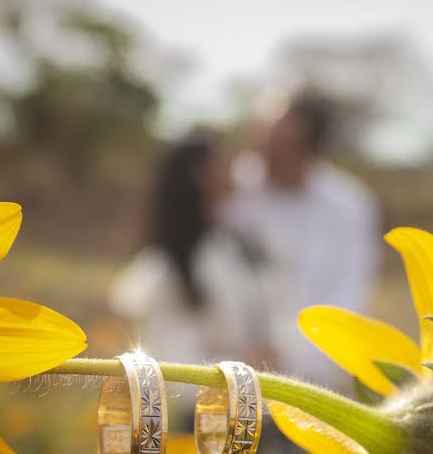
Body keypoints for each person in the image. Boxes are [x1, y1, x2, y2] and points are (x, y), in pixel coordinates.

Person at [226, 91, 381, 392]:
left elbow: (346, 296)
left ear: (313, 150)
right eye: (263, 138)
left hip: (310, 378)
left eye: (282, 144)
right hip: (227, 369)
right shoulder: (232, 187)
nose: (267, 152)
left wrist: (284, 350)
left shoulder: (348, 205)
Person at [108, 135, 270, 365]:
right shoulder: (163, 267)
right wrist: (244, 363)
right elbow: (172, 359)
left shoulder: (232, 244)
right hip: (204, 395)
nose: (231, 167)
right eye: (220, 160)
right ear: (199, 173)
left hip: (243, 390)